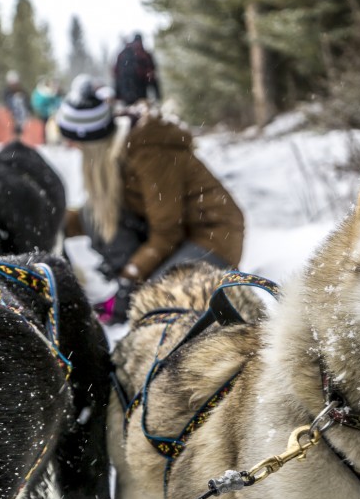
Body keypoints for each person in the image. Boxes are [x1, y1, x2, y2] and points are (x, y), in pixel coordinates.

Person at [55, 76, 244, 324]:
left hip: (211, 236)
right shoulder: (119, 147)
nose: (70, 147)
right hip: (176, 234)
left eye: (75, 141)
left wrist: (129, 279)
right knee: (93, 213)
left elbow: (166, 233)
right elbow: (97, 215)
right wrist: (52, 222)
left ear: (92, 140)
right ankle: (138, 284)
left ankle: (138, 290)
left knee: (155, 304)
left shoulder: (149, 151)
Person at [113, 33, 161, 107]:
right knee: (139, 112)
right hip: (139, 92)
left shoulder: (123, 54)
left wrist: (117, 94)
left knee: (131, 113)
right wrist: (157, 95)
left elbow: (116, 74)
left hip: (127, 92)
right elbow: (151, 75)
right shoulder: (145, 55)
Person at [30, 76, 63, 144]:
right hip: (44, 115)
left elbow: (57, 102)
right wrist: (48, 110)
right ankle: (45, 140)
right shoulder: (39, 93)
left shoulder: (53, 92)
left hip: (53, 115)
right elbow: (38, 104)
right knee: (45, 127)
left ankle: (55, 140)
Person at [2, 70, 30, 137]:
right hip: (12, 115)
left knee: (21, 127)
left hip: (22, 115)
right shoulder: (7, 92)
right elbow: (6, 102)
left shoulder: (22, 92)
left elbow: (27, 102)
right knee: (13, 127)